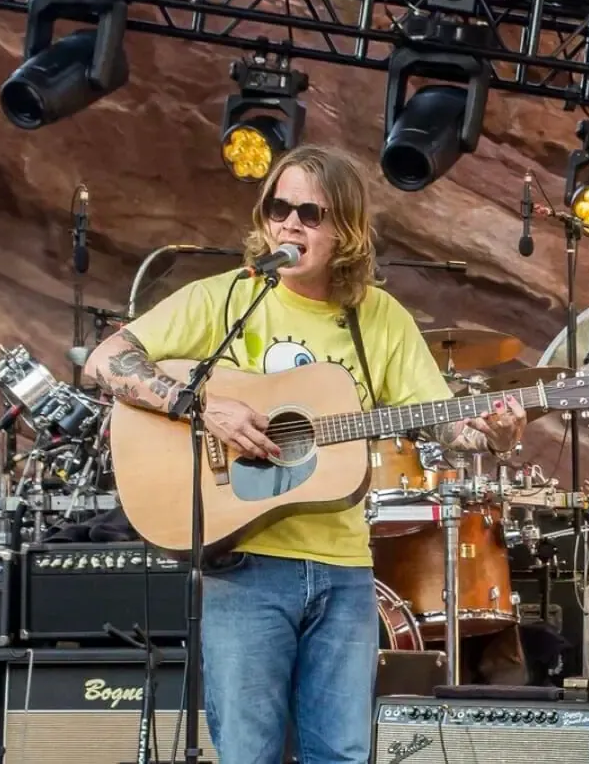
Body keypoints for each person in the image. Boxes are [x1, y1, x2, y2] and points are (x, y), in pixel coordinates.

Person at [83, 144, 526, 764]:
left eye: (310, 214)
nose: (288, 224)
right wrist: (200, 403)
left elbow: (448, 427)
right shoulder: (227, 298)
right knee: (248, 753)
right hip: (244, 566)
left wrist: (491, 433)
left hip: (344, 570)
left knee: (342, 754)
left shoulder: (379, 318)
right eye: (277, 207)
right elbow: (107, 359)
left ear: (346, 229)